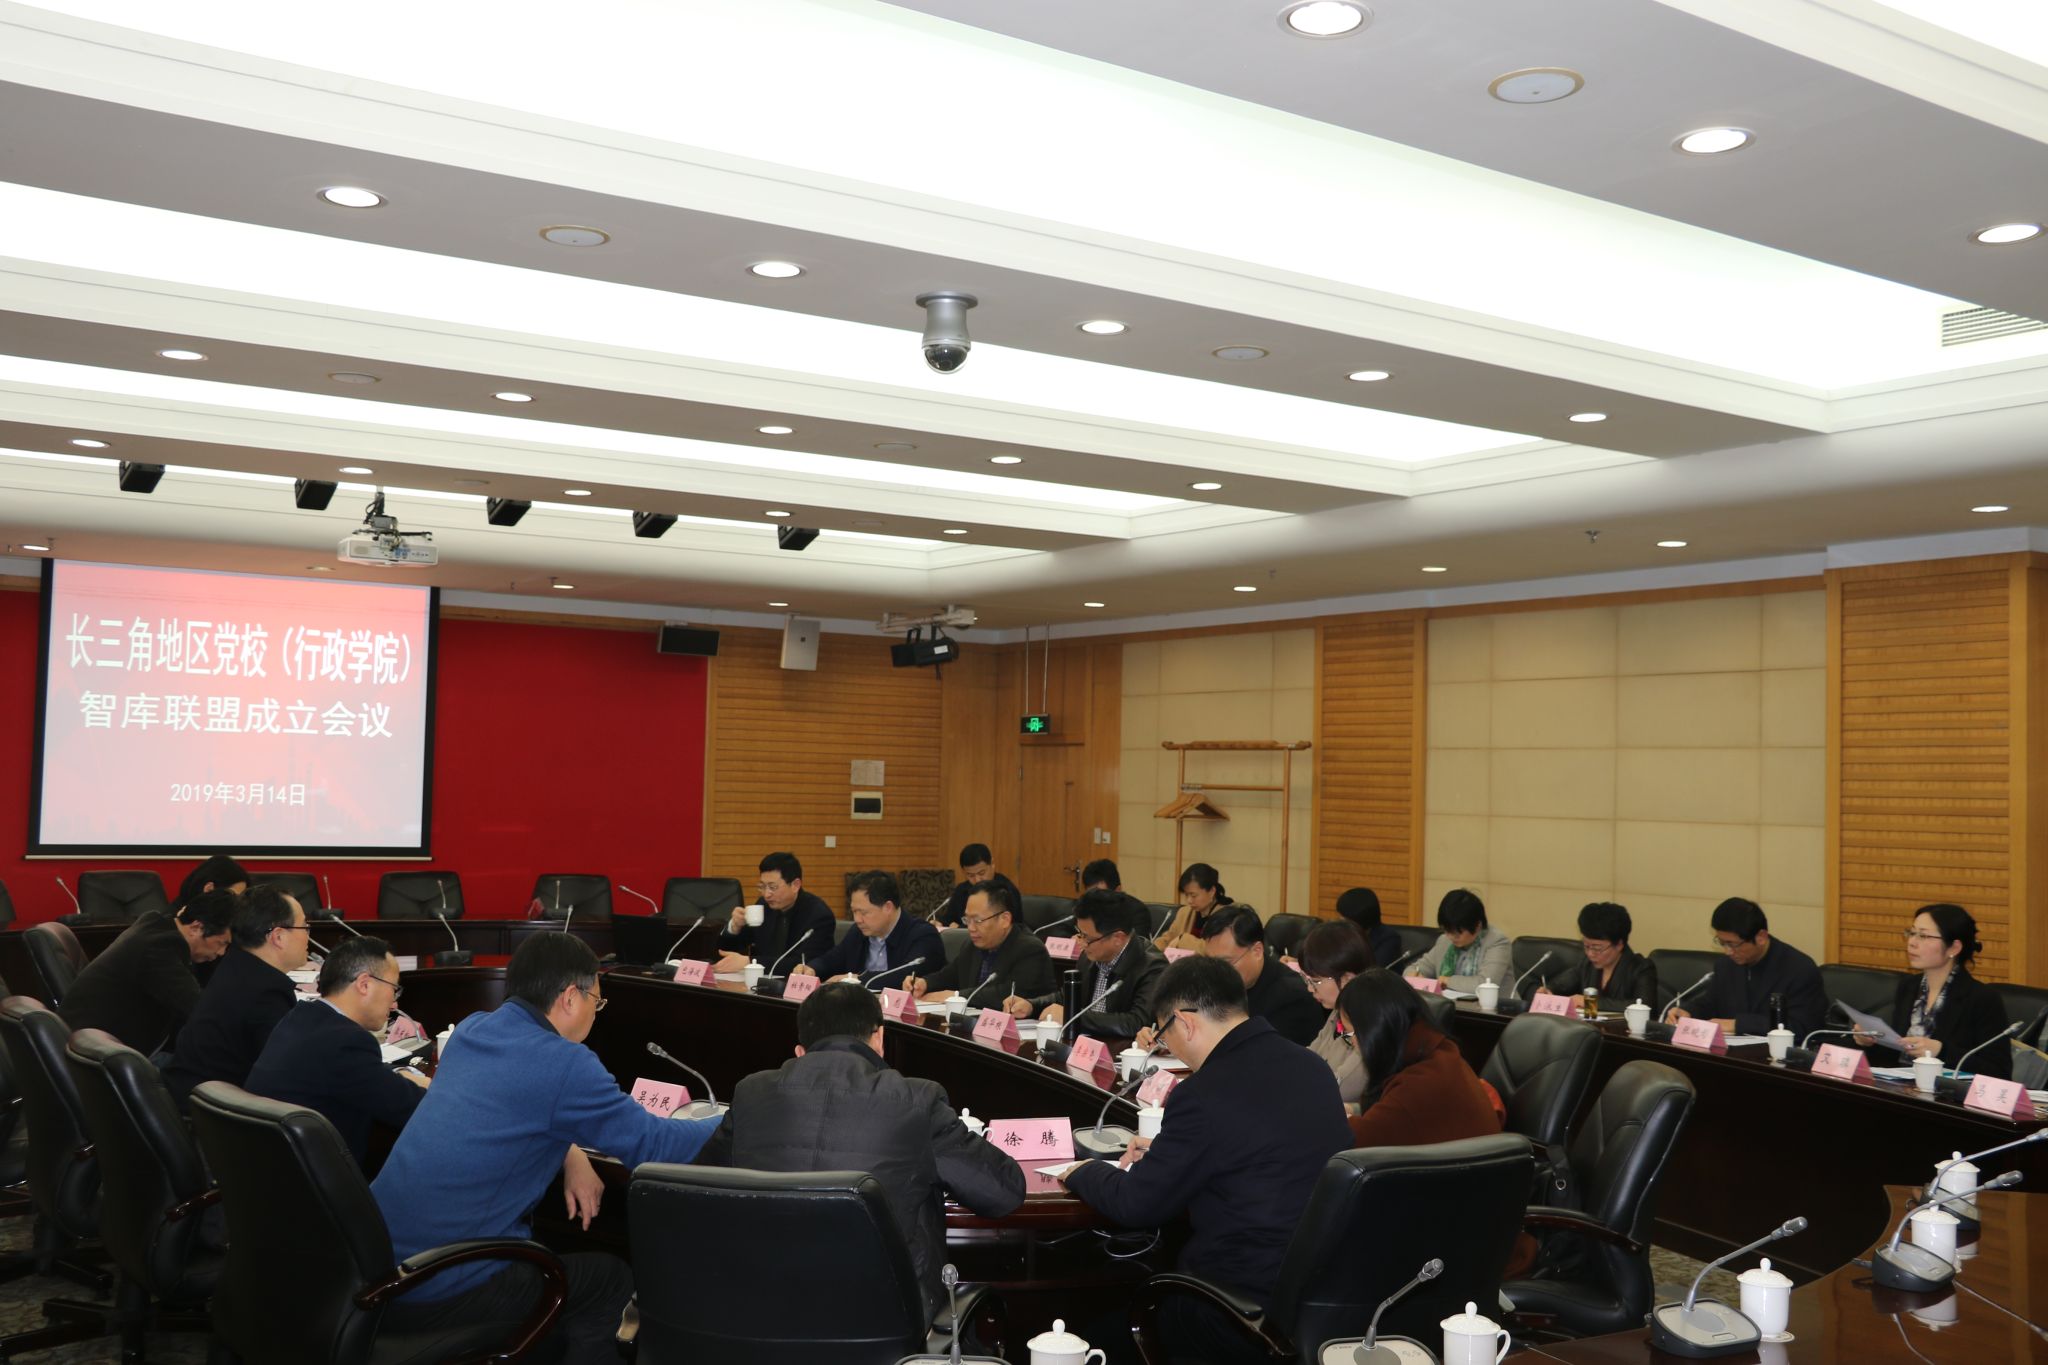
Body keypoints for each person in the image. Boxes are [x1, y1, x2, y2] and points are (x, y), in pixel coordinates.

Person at [372, 934, 718, 1365]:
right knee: (611, 1280)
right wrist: (738, 1115)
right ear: (571, 997)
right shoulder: (565, 1062)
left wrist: (571, 1151)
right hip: (439, 1286)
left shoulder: (473, 1029)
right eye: (597, 1001)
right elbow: (657, 1145)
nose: (596, 1012)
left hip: (380, 1266)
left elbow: (505, 1107)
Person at [1053, 957, 1349, 1365]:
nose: (1168, 1045)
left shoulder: (1203, 1092)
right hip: (1316, 1296)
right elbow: (1255, 1149)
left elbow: (1136, 1204)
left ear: (1185, 1022)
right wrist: (1169, 1153)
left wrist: (1083, 1170)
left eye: (1164, 1033)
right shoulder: (1311, 1066)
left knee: (1087, 1341)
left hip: (1235, 1309)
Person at [694, 982, 1025, 1318]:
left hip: (762, 1312)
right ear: (879, 1038)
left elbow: (698, 1189)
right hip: (885, 1318)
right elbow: (1003, 1191)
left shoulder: (750, 1093)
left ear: (800, 1051)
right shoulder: (917, 1100)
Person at [244, 934, 429, 1167]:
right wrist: (435, 1086)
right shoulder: (346, 1041)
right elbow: (412, 1108)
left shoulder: (300, 1017)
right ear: (364, 984)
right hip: (313, 1178)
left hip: (269, 1166)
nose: (395, 1004)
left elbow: (359, 1075)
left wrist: (400, 1074)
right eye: (394, 989)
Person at [163, 885, 309, 1102]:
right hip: (213, 1112)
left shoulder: (237, 966)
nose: (308, 934)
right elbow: (285, 1074)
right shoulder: (265, 991)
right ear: (278, 936)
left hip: (194, 1097)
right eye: (304, 926)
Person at [57, 886, 237, 1057]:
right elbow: (199, 1010)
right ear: (196, 928)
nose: (221, 952)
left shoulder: (157, 927)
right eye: (222, 943)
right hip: (95, 1056)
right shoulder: (159, 948)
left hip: (92, 1044)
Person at [1339, 971, 1501, 1147]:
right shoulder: (1434, 1049)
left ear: (1374, 1031)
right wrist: (1355, 1110)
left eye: (1351, 1033)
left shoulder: (1418, 1083)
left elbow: (1353, 1141)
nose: (1352, 1042)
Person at [1858, 904, 2012, 1080]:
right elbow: (1896, 1059)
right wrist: (1870, 1042)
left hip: (1947, 1094)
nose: (1912, 942)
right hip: (1902, 1088)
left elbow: (1999, 1072)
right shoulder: (1909, 986)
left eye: (1924, 936)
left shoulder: (1982, 998)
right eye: (1912, 933)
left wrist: (1941, 1051)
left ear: (1954, 948)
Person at [1007, 891, 1166, 1042]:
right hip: (1087, 1045)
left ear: (1118, 938)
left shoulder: (1152, 967)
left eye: (1087, 938)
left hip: (1122, 1052)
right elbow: (1067, 997)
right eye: (1080, 934)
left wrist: (1071, 1017)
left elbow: (1136, 1023)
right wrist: (1031, 1005)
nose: (1081, 944)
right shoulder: (1090, 955)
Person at [1669, 897, 1828, 1039]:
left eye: (1733, 944)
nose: (1728, 951)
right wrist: (1688, 1012)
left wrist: (1739, 1025)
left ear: (1761, 937)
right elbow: (1710, 1003)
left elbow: (1802, 1027)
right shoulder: (1726, 965)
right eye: (1722, 943)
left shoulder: (1799, 969)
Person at [1171, 905, 1325, 1047]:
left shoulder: (1293, 997)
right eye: (1210, 961)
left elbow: (1264, 1054)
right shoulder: (1216, 980)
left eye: (1226, 962)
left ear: (1257, 951)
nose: (1217, 972)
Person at [908, 880, 1056, 1005]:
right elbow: (950, 975)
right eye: (967, 920)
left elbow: (1006, 994)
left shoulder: (1030, 950)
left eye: (978, 920)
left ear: (1004, 919)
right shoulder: (972, 945)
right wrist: (925, 983)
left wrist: (956, 996)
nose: (971, 928)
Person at [797, 870, 943, 987]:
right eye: (854, 912)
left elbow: (904, 976)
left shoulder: (923, 935)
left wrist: (856, 980)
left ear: (888, 907)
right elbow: (833, 959)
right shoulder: (858, 932)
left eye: (863, 912)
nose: (857, 919)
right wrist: (812, 968)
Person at [715, 852, 836, 975]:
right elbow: (725, 953)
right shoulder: (763, 906)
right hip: (759, 982)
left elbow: (803, 964)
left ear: (795, 885)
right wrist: (734, 928)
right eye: (762, 886)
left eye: (773, 887)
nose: (766, 894)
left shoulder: (819, 915)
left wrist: (750, 962)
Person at [1297, 921, 1371, 1108]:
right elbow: (1307, 1058)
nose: (1310, 988)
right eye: (1306, 979)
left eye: (1316, 981)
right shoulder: (1339, 1011)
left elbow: (1339, 1089)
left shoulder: (1370, 1022)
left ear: (1347, 979)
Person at [1546, 902, 1661, 1012]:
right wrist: (1549, 990)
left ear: (1619, 945)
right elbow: (1562, 984)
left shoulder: (1641, 968)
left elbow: (1645, 1006)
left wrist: (1590, 1002)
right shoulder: (1587, 964)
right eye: (1586, 946)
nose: (1590, 953)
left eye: (1597, 948)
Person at [1409, 888, 1514, 996]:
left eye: (1457, 933)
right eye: (1447, 930)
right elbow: (1414, 968)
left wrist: (1448, 981)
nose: (1450, 937)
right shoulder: (1444, 941)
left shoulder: (1497, 943)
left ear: (1477, 926)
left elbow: (1484, 985)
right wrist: (1414, 976)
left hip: (1497, 1006)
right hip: (1452, 1004)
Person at [931, 843, 1020, 927]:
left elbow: (1012, 928)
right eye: (971, 875)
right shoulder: (961, 891)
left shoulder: (1006, 891)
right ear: (963, 871)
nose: (977, 880)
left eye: (981, 873)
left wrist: (961, 928)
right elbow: (948, 920)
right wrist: (939, 924)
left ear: (992, 864)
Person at [1155, 863, 1235, 951]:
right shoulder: (1184, 912)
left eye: (1193, 895)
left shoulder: (1227, 916)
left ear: (1212, 891)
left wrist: (1183, 940)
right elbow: (1168, 939)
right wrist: (1152, 948)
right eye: (1186, 895)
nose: (1189, 900)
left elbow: (1215, 949)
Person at [1334, 886, 1404, 969]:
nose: (1340, 921)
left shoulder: (1389, 939)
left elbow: (1373, 971)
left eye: (1345, 918)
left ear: (1360, 919)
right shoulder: (1341, 934)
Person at [1078, 858, 1154, 934]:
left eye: (1101, 894)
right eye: (1091, 895)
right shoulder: (1084, 908)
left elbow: (1135, 941)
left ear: (1118, 890)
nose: (1095, 901)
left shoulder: (1137, 913)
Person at [171, 854, 248, 913]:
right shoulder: (176, 924)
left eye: (241, 898)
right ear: (209, 889)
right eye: (234, 897)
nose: (238, 905)